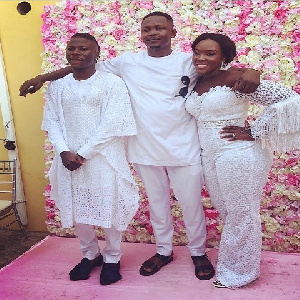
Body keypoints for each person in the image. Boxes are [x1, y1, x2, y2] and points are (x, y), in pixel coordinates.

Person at [20, 12, 260, 280]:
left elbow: (224, 71)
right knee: (158, 205)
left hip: (185, 146)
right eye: (148, 29)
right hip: (144, 148)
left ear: (173, 32)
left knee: (191, 205)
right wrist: (43, 78)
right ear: (141, 34)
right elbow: (83, 65)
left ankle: (198, 252)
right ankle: (163, 250)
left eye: (160, 28)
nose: (153, 33)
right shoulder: (128, 62)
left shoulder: (188, 61)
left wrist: (252, 71)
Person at [185, 32, 300, 288]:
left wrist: (255, 131)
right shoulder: (195, 81)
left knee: (242, 213)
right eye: (197, 52)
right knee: (228, 212)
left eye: (210, 53)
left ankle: (238, 274)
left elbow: (291, 100)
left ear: (225, 57)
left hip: (239, 155)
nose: (201, 58)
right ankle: (238, 264)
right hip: (210, 156)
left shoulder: (237, 79)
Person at [42, 33, 139, 285]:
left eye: (83, 48)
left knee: (109, 206)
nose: (76, 53)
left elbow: (112, 124)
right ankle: (90, 254)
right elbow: (51, 120)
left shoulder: (111, 83)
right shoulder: (58, 85)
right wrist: (64, 151)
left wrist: (83, 153)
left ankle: (112, 258)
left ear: (97, 53)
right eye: (71, 48)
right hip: (68, 158)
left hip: (103, 157)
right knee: (78, 209)